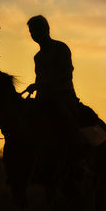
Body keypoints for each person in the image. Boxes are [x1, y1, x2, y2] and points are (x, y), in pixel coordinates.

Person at [22, 15, 82, 153]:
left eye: (37, 29)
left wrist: (39, 86)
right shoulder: (37, 57)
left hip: (64, 97)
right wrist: (36, 87)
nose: (34, 34)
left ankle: (78, 157)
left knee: (66, 120)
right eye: (32, 31)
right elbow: (40, 78)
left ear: (47, 29)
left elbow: (66, 75)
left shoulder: (61, 48)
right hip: (43, 99)